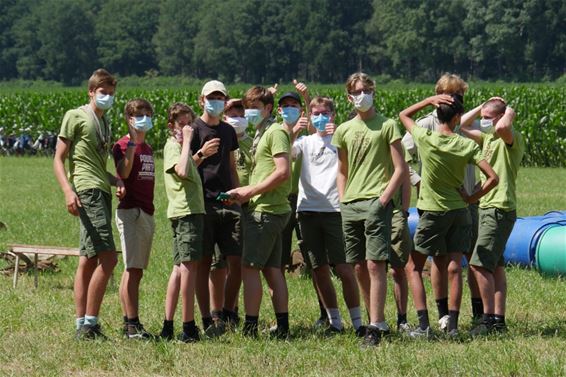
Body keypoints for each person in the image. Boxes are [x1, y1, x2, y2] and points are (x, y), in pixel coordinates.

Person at [399, 94, 499, 338]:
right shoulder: (466, 145)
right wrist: (471, 198)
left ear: (437, 116)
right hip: (460, 212)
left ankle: (424, 326)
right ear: (457, 118)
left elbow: (404, 115)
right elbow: (493, 178)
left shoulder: (426, 138)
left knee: (413, 268)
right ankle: (453, 327)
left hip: (432, 212)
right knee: (455, 267)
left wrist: (428, 100)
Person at [331, 72, 407, 346]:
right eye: (355, 91)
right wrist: (342, 199)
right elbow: (342, 169)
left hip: (376, 202)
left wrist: (383, 199)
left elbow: (401, 169)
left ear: (373, 92)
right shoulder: (343, 130)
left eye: (365, 90)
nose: (360, 95)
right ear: (348, 96)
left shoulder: (387, 125)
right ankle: (375, 320)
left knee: (376, 264)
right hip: (350, 203)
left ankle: (374, 326)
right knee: (359, 266)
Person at [53, 68, 122, 339]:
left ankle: (81, 323)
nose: (107, 97)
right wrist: (68, 191)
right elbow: (58, 159)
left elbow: (96, 165)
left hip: (101, 190)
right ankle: (91, 324)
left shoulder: (104, 122)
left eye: (112, 94)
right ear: (91, 92)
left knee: (88, 259)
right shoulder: (76, 116)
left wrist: (117, 181)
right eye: (103, 92)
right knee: (109, 258)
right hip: (87, 191)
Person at [293, 96, 363, 334]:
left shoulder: (341, 139)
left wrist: (340, 133)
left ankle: (358, 322)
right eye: (315, 113)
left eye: (324, 113)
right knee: (318, 269)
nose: (320, 117)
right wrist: (293, 131)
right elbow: (286, 152)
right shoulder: (304, 142)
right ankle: (335, 322)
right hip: (307, 211)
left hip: (335, 210)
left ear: (333, 115)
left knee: (344, 269)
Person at [227, 86, 292, 339]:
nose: (250, 112)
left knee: (249, 268)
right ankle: (283, 327)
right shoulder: (261, 132)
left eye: (256, 107)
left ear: (268, 108)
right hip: (270, 208)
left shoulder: (275, 132)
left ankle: (250, 327)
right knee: (271, 269)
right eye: (248, 107)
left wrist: (251, 192)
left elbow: (282, 171)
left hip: (265, 210)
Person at [459, 99, 525, 335]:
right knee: (495, 265)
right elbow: (462, 125)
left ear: (500, 117)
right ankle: (498, 321)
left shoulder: (511, 139)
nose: (483, 121)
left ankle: (486, 320)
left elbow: (502, 128)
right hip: (487, 207)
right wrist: (481, 107)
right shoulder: (487, 138)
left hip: (499, 208)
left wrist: (509, 110)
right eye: (483, 117)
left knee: (478, 264)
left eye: (488, 117)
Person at [190, 80, 242, 337]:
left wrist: (239, 194)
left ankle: (228, 311)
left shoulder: (228, 131)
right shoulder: (194, 129)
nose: (216, 102)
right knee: (204, 263)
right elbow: (183, 168)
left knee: (237, 261)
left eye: (220, 97)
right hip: (204, 203)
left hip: (228, 202)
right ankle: (207, 317)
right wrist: (200, 153)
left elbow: (231, 166)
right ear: (202, 100)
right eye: (211, 97)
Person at [159, 103, 204, 342]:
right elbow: (183, 171)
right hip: (186, 213)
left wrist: (201, 153)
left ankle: (168, 325)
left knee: (178, 269)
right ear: (171, 126)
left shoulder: (180, 148)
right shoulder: (174, 146)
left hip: (186, 212)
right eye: (181, 124)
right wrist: (187, 141)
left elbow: (188, 168)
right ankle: (188, 326)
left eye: (190, 124)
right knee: (189, 268)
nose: (187, 129)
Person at [113, 99, 156, 339]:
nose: (145, 118)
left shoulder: (148, 148)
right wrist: (131, 141)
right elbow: (124, 172)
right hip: (131, 211)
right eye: (139, 114)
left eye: (148, 113)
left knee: (136, 270)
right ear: (129, 118)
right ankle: (132, 325)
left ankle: (128, 321)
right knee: (132, 269)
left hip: (147, 212)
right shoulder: (121, 144)